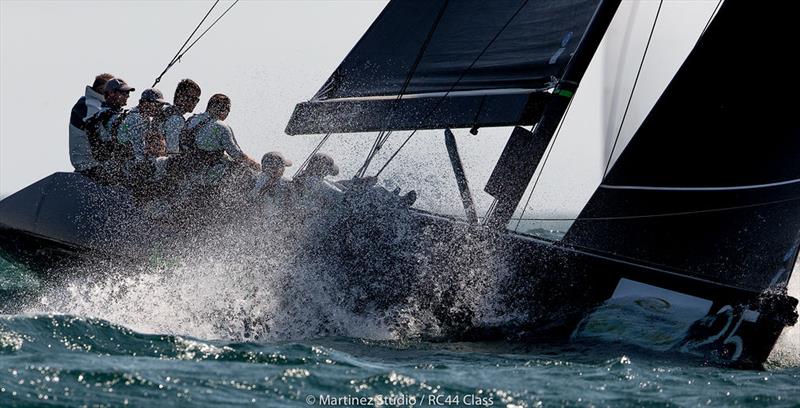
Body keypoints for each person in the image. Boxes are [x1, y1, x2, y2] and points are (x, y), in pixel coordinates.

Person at [185, 94, 261, 176]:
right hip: (209, 175)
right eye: (227, 110)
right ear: (224, 110)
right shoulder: (221, 127)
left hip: (188, 171)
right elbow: (238, 156)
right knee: (247, 172)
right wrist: (257, 166)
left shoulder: (192, 120)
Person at [84, 77, 135, 181]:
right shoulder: (104, 116)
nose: (127, 96)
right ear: (111, 93)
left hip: (119, 168)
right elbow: (110, 142)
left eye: (128, 93)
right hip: (112, 171)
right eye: (124, 93)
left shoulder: (116, 114)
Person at [115, 89, 168, 187]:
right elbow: (138, 149)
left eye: (160, 106)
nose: (159, 108)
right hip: (129, 169)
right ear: (144, 103)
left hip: (127, 165)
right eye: (156, 104)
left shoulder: (138, 115)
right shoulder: (137, 119)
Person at [69, 73, 113, 177]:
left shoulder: (103, 106)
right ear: (101, 89)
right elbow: (101, 132)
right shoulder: (87, 104)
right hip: (88, 166)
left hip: (101, 166)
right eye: (114, 89)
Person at [160, 79, 202, 155]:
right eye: (191, 98)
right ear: (179, 96)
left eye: (196, 99)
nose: (194, 102)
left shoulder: (166, 110)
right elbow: (172, 150)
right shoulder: (176, 119)